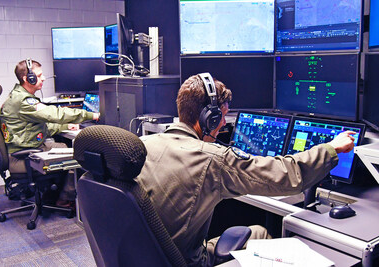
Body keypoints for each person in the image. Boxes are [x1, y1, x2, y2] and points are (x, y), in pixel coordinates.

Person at [135, 73, 356, 267]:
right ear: (209, 119)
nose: (223, 123)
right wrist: (330, 149)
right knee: (261, 233)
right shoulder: (212, 159)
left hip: (145, 256)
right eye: (221, 116)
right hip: (186, 261)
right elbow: (285, 175)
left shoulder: (142, 144)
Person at [0, 58, 99, 207]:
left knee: (61, 145)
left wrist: (64, 126)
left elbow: (38, 127)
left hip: (22, 149)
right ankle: (65, 198)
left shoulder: (17, 96)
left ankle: (51, 194)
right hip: (22, 156)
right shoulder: (24, 101)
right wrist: (91, 115)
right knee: (76, 154)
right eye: (39, 76)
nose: (44, 78)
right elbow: (56, 114)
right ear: (28, 79)